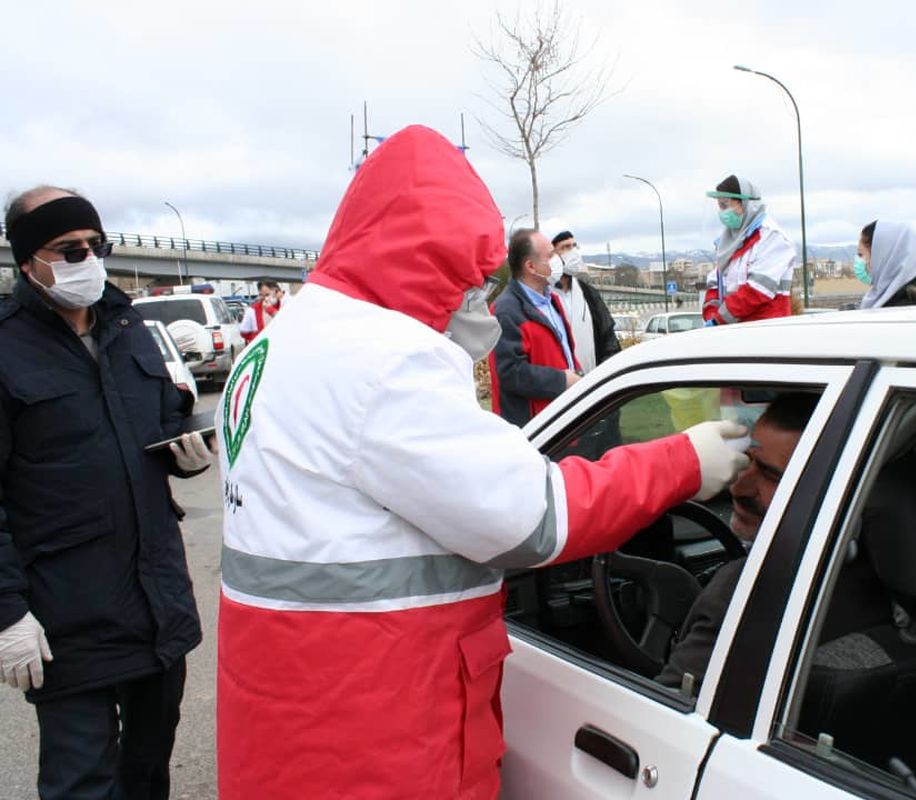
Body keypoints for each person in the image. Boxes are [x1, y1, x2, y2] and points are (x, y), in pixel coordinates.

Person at [215, 125, 750, 800]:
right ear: (421, 255)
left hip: (294, 716)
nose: (475, 303)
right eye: (466, 281)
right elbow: (535, 519)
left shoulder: (287, 337)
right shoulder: (381, 361)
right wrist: (684, 461)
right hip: (375, 735)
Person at [0, 186, 215, 800]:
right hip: (68, 609)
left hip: (155, 601)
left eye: (97, 246)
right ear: (27, 261)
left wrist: (186, 453)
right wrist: (8, 612)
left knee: (147, 771)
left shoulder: (128, 326)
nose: (88, 261)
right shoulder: (7, 347)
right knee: (81, 780)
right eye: (69, 250)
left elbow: (162, 420)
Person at [657, 393, 816, 691]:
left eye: (770, 474)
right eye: (748, 459)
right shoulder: (875, 580)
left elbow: (664, 711)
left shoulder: (744, 591)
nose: (739, 485)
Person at [490, 229, 580, 426]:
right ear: (531, 266)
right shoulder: (506, 312)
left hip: (565, 419)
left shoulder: (552, 302)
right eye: (550, 255)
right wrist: (561, 380)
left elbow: (564, 354)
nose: (557, 259)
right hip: (536, 430)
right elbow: (510, 373)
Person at [702, 175, 796, 325]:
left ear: (745, 204)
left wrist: (720, 319)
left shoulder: (772, 237)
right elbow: (715, 282)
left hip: (767, 329)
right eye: (720, 207)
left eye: (726, 205)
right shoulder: (728, 242)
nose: (722, 213)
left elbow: (758, 289)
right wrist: (711, 314)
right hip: (736, 330)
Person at [551, 230, 621, 374]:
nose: (573, 252)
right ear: (553, 255)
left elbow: (608, 337)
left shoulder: (588, 293)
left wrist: (604, 373)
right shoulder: (544, 295)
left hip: (590, 384)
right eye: (566, 247)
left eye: (574, 246)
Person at [854, 220, 916, 309]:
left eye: (861, 254)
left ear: (880, 256)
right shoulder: (891, 295)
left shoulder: (900, 307)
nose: (859, 261)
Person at [238, 279, 282, 343]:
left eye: (267, 294)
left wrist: (271, 310)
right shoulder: (252, 310)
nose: (265, 299)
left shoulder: (285, 303)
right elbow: (244, 332)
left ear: (276, 291)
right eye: (261, 295)